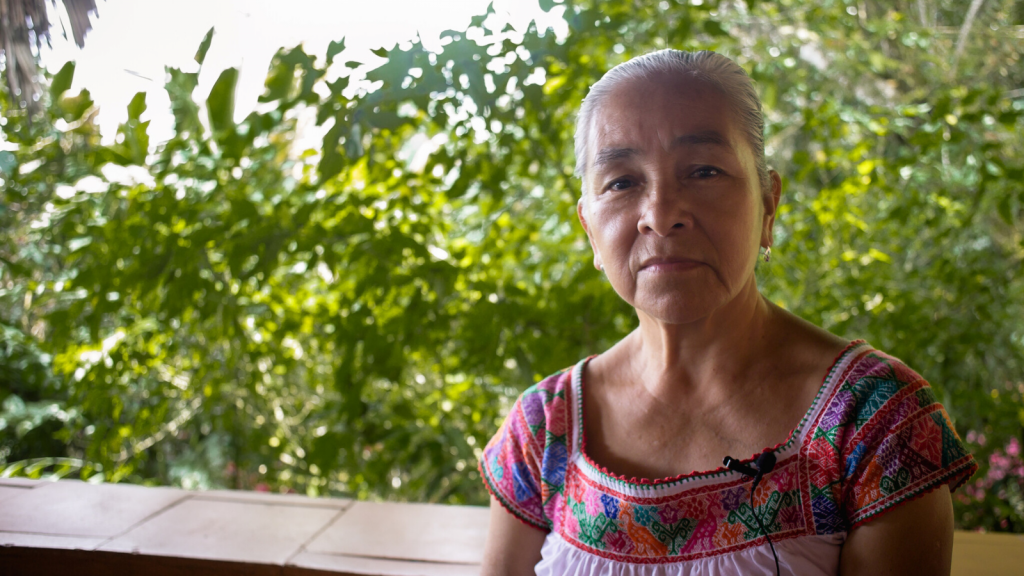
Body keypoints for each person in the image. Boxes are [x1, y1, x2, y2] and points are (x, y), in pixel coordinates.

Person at [478, 49, 977, 576]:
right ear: (589, 230)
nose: (661, 215)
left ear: (768, 203)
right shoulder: (545, 429)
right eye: (622, 182)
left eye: (704, 171)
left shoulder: (875, 422)